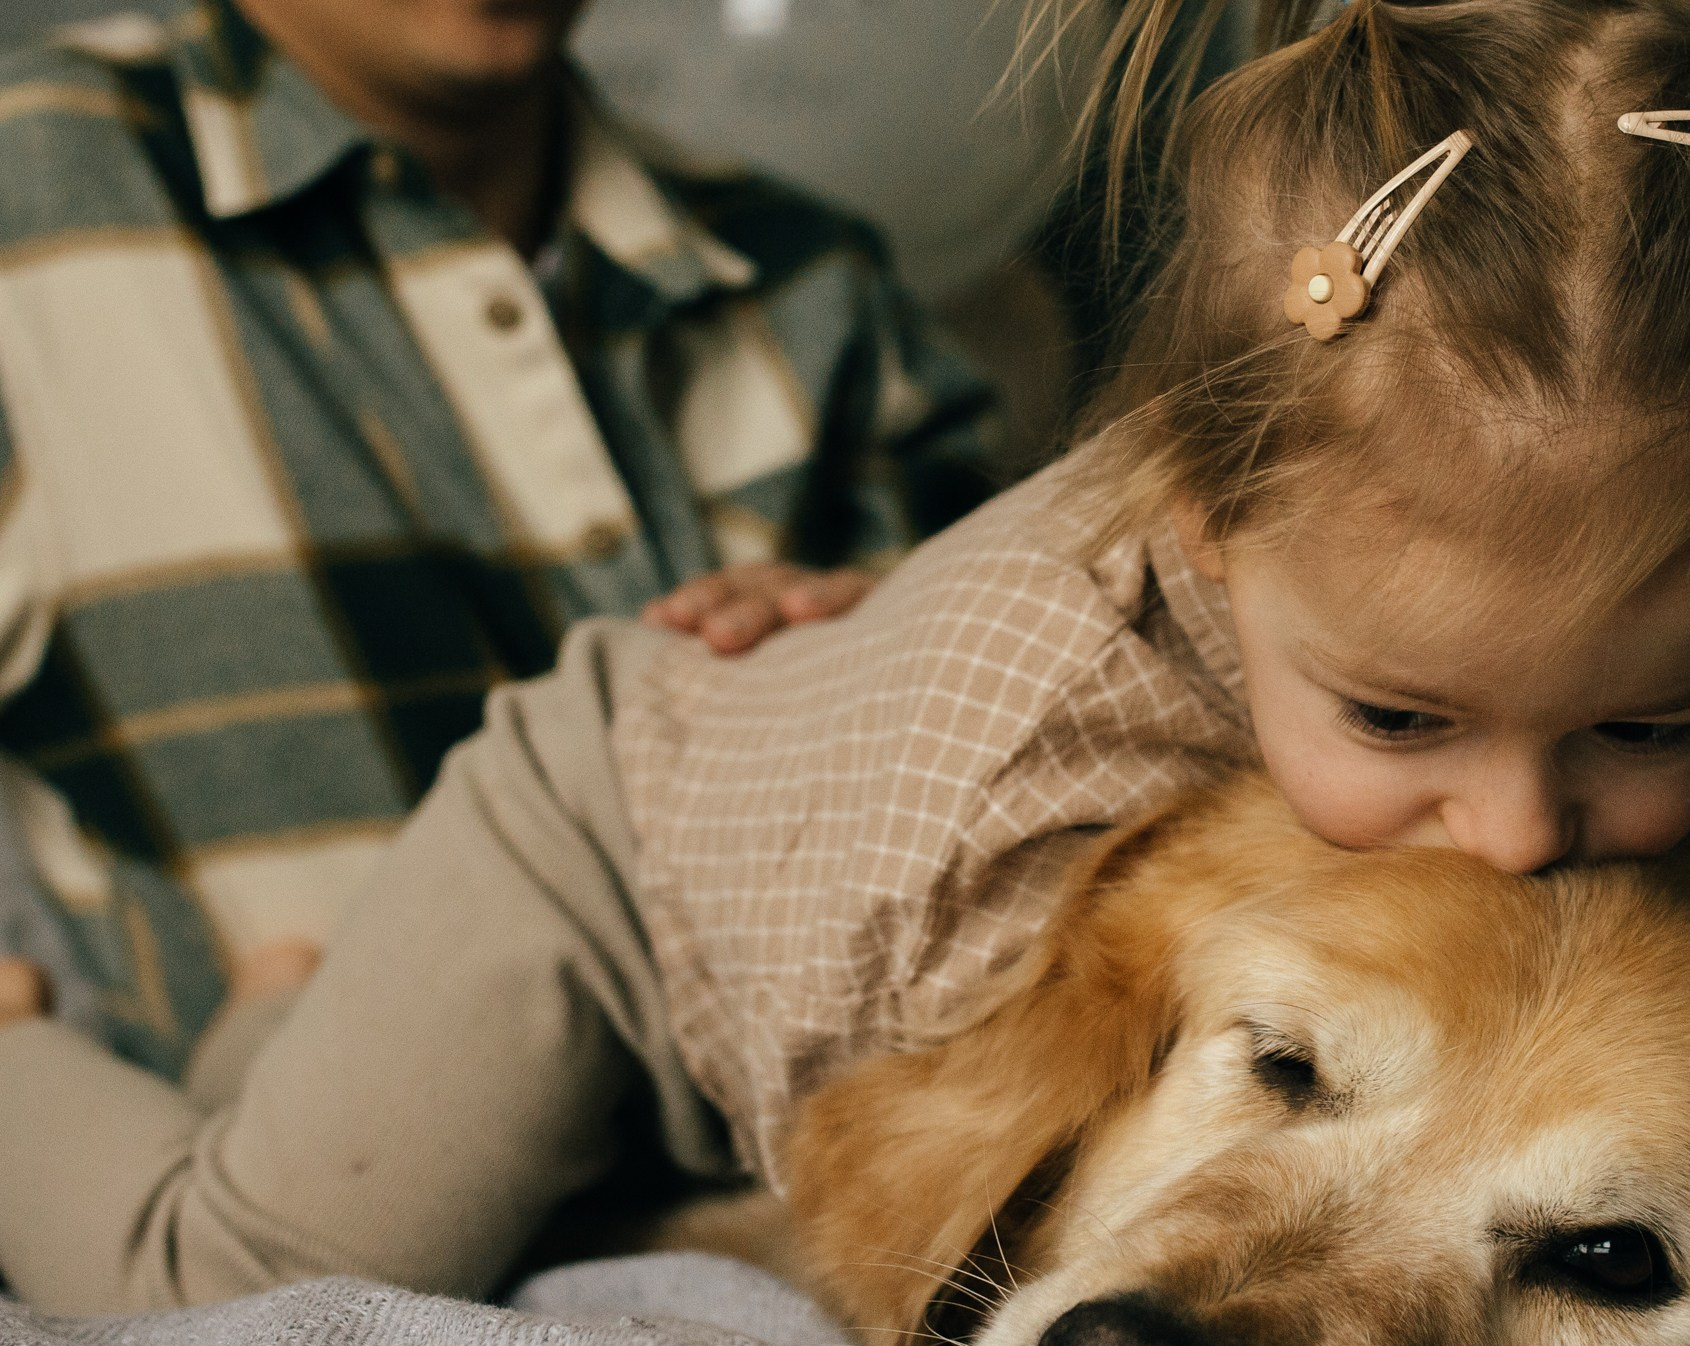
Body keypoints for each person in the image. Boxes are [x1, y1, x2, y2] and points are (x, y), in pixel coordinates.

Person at [0, 0, 1690, 1313]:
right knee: (251, 1272)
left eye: (1647, 722)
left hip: (773, 819)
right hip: (594, 873)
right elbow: (908, 1173)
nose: (1514, 827)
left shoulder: (836, 285)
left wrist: (865, 609)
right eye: (1405, 719)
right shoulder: (997, 816)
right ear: (1205, 534)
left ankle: (290, 1015)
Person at [0, 0, 992, 1079]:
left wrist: (902, 655)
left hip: (811, 1166)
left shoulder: (813, 278)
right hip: (282, 1182)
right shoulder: (39, 187)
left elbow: (1053, 824)